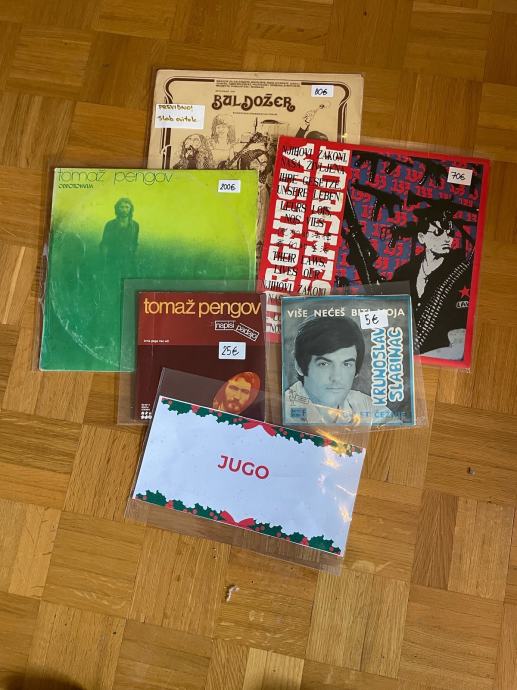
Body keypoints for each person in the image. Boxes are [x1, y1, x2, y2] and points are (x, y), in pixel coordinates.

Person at [284, 316, 393, 425]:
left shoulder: (364, 404)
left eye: (346, 364)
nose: (336, 377)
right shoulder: (283, 410)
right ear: (299, 366)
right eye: (324, 364)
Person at [391, 211, 472, 357]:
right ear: (422, 238)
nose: (447, 238)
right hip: (400, 352)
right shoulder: (403, 273)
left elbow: (461, 336)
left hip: (440, 355)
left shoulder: (462, 273)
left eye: (450, 233)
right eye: (438, 232)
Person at [99, 197, 139, 273]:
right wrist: (104, 261)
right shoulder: (110, 224)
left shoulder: (135, 225)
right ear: (117, 208)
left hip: (128, 261)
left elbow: (135, 243)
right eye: (122, 207)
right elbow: (104, 244)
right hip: (113, 259)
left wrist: (133, 258)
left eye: (127, 207)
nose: (124, 210)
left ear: (131, 209)